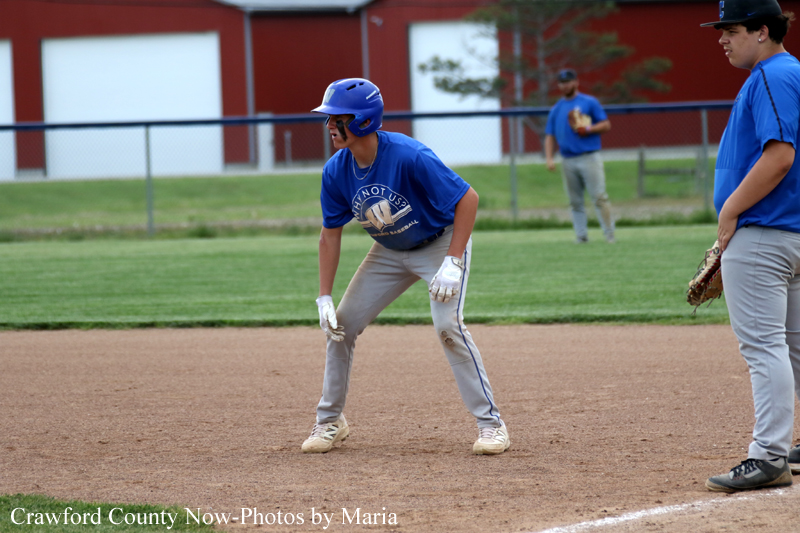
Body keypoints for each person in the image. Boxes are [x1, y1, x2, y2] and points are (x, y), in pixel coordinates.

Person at [301, 78, 510, 456]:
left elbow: (468, 198)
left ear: (363, 120)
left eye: (337, 118)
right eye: (327, 118)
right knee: (340, 327)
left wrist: (453, 261)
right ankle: (330, 421)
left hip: (440, 244)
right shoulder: (336, 171)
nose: (330, 125)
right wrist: (324, 297)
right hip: (388, 252)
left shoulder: (409, 155)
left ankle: (491, 425)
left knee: (449, 325)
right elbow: (329, 235)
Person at [700, 0, 800, 492]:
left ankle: (768, 456)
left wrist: (730, 211)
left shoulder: (770, 76)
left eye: (731, 29)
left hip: (764, 232)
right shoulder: (791, 73)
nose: (722, 38)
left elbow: (780, 156)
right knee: (794, 346)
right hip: (792, 231)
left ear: (762, 31)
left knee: (764, 347)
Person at [544, 68, 615, 244]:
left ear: (576, 82)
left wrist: (589, 128)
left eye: (568, 81)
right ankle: (581, 236)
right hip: (568, 159)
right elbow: (550, 135)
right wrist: (549, 158)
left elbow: (606, 124)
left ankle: (609, 235)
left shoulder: (589, 102)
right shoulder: (557, 109)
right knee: (575, 201)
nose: (564, 85)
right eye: (561, 82)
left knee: (599, 197)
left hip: (589, 156)